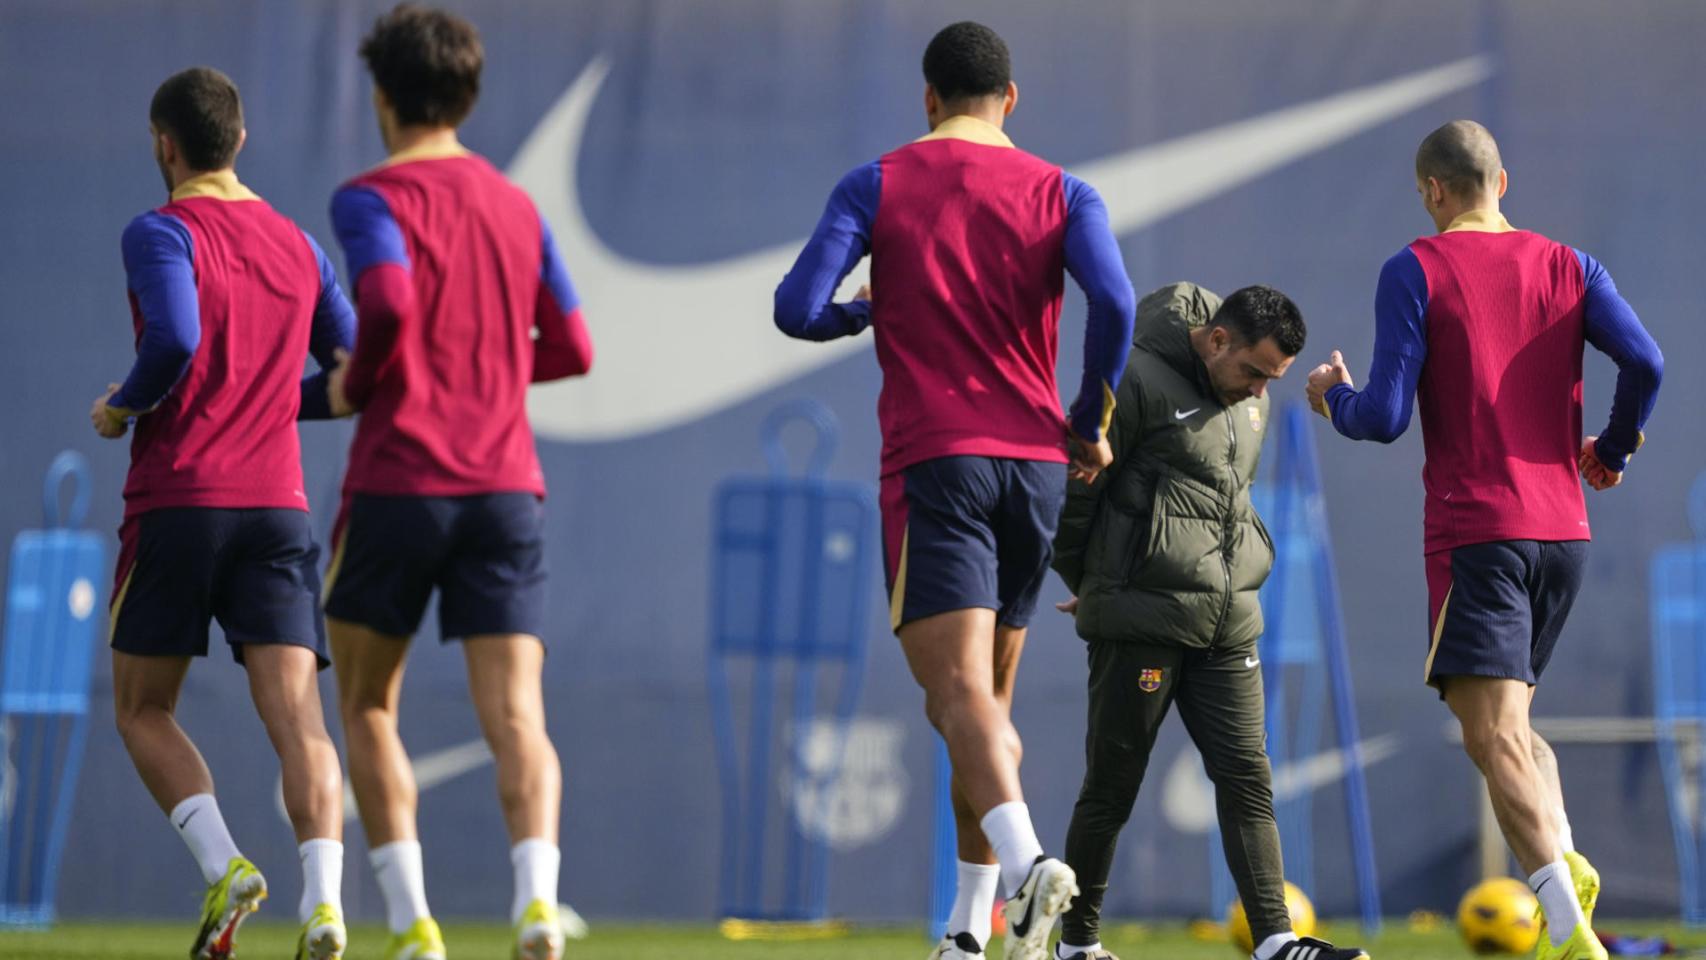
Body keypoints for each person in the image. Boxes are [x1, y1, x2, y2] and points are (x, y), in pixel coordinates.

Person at [774, 20, 1135, 960]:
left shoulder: (881, 180)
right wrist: (1090, 418)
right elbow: (1120, 304)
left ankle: (1026, 872)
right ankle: (969, 933)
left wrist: (864, 309)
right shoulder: (1064, 189)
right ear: (1011, 99)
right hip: (1037, 470)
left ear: (928, 97)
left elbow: (795, 307)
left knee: (957, 697)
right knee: (983, 708)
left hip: (939, 463)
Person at [1306, 120, 1663, 960]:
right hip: (1564, 533)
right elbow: (1645, 362)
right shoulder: (1572, 265)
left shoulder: (1416, 268)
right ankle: (1566, 865)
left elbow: (1387, 418)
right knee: (1515, 728)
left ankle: (1573, 935)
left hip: (1481, 530)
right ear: (1502, 182)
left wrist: (1333, 397)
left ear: (1434, 191)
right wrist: (1609, 450)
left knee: (1488, 735)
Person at [321, 5, 594, 960]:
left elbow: (388, 300)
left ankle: (412, 925)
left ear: (383, 95)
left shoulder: (369, 198)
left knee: (363, 704)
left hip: (400, 481)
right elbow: (573, 346)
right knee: (519, 713)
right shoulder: (518, 205)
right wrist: (484, 371)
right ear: (469, 95)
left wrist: (361, 376)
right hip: (506, 488)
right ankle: (534, 905)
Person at [92, 66, 354, 960]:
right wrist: (279, 400)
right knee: (299, 720)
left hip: (181, 502)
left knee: (141, 708)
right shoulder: (296, 243)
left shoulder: (160, 231)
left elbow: (174, 338)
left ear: (165, 144)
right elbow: (355, 377)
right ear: (239, 140)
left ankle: (225, 867)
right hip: (278, 509)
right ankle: (326, 905)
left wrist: (124, 405)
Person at [1051, 283, 1368, 960]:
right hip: (1141, 618)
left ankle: (1276, 942)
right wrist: (1091, 583)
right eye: (1254, 371)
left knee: (1248, 775)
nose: (1259, 389)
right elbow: (1076, 499)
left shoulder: (1252, 399)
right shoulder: (1133, 379)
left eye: (1271, 379)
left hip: (1229, 623)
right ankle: (1076, 944)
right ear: (1216, 339)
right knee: (1113, 784)